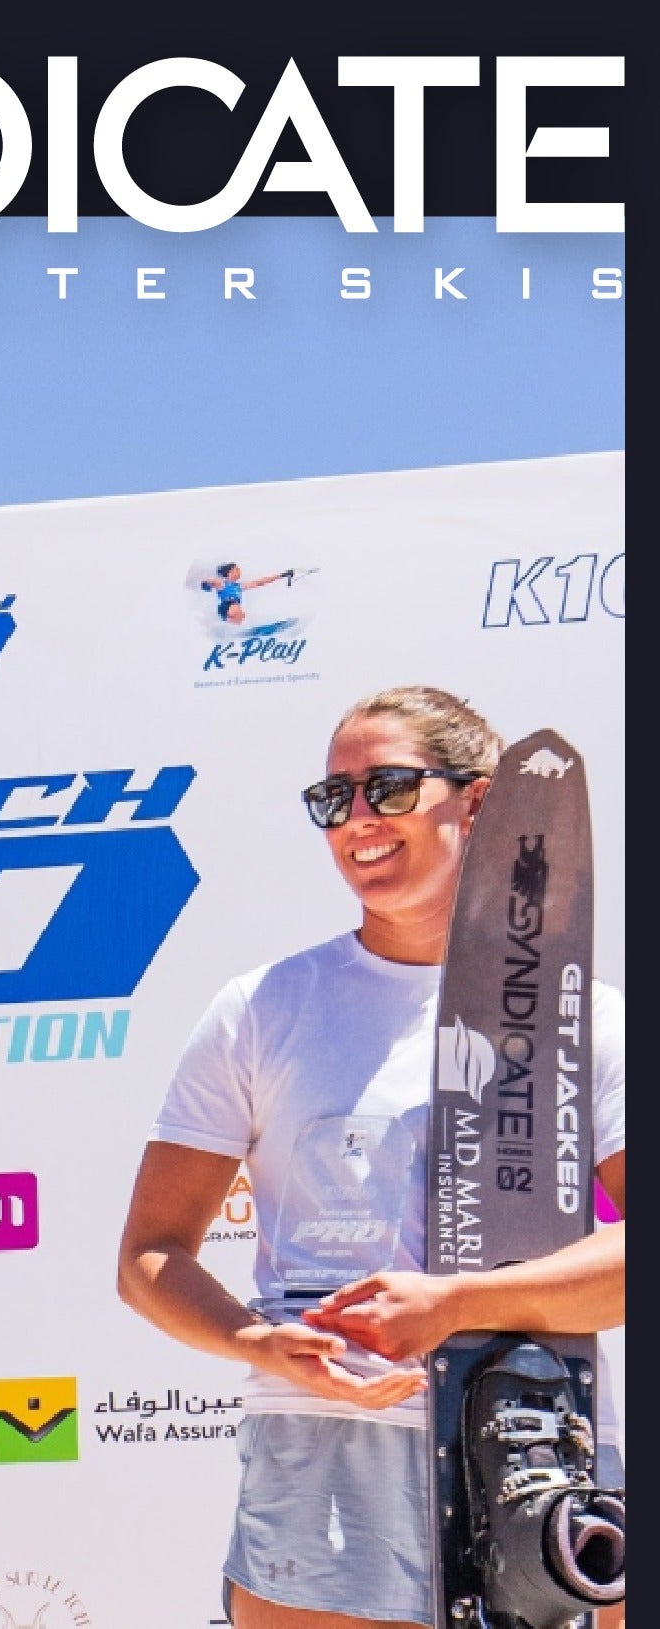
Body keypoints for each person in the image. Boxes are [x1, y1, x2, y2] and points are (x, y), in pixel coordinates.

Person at [116, 686, 624, 1629]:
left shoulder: (587, 1019)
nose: (357, 820)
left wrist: (460, 1305)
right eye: (333, 797)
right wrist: (251, 1340)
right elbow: (150, 1255)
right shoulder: (263, 1007)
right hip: (320, 1476)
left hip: (531, 1460)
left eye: (388, 787)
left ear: (479, 803)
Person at [201, 563, 293, 625]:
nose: (240, 571)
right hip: (226, 608)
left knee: (242, 617)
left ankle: (229, 629)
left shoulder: (239, 586)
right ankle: (227, 622)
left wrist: (282, 575)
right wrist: (207, 584)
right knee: (238, 611)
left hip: (231, 612)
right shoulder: (222, 583)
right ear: (230, 572)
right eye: (237, 569)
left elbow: (260, 582)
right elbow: (211, 582)